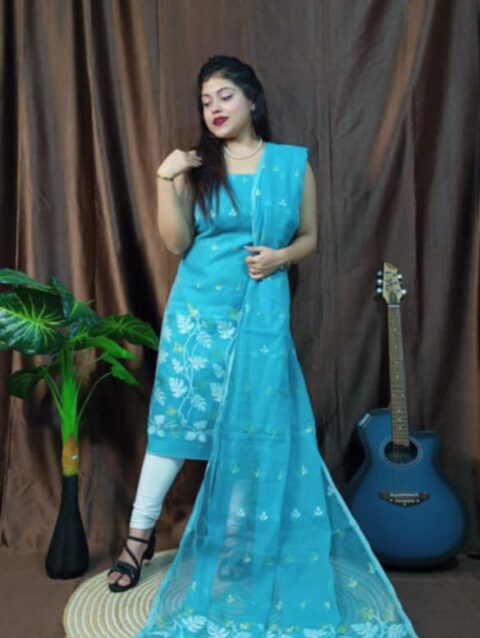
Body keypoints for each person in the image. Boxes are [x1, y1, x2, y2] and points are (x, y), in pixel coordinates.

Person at [108, 55, 418, 638]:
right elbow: (176, 242)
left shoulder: (290, 164)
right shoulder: (195, 167)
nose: (214, 109)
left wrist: (280, 257)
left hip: (259, 324)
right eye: (206, 101)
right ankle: (137, 539)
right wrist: (165, 179)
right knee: (174, 431)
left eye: (225, 96)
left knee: (252, 436)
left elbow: (310, 237)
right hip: (197, 319)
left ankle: (238, 550)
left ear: (252, 100)